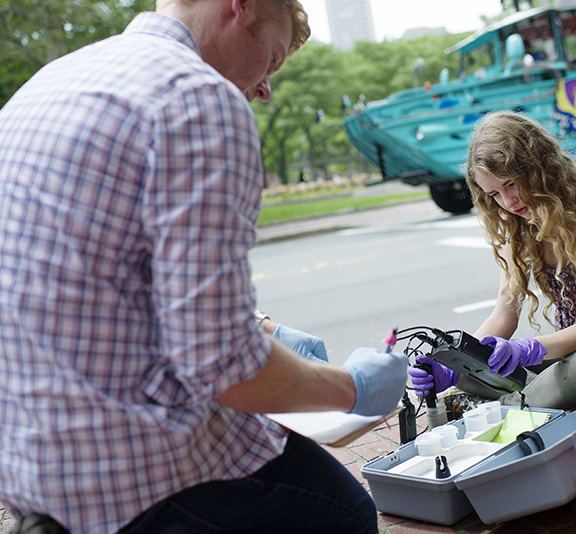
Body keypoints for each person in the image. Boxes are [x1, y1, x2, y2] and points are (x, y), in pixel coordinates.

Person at [0, 1, 408, 533]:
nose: (265, 88)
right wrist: (350, 387)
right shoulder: (198, 97)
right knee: (343, 512)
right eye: (274, 59)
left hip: (31, 469)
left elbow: (110, 278)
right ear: (242, 6)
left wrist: (265, 329)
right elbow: (222, 367)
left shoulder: (44, 85)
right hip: (131, 476)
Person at [409, 111, 576, 411]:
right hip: (570, 356)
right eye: (494, 193)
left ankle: (506, 408)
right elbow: (503, 317)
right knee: (475, 369)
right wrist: (455, 364)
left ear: (538, 166)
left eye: (511, 183)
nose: (508, 202)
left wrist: (527, 349)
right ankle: (536, 399)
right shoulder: (517, 223)